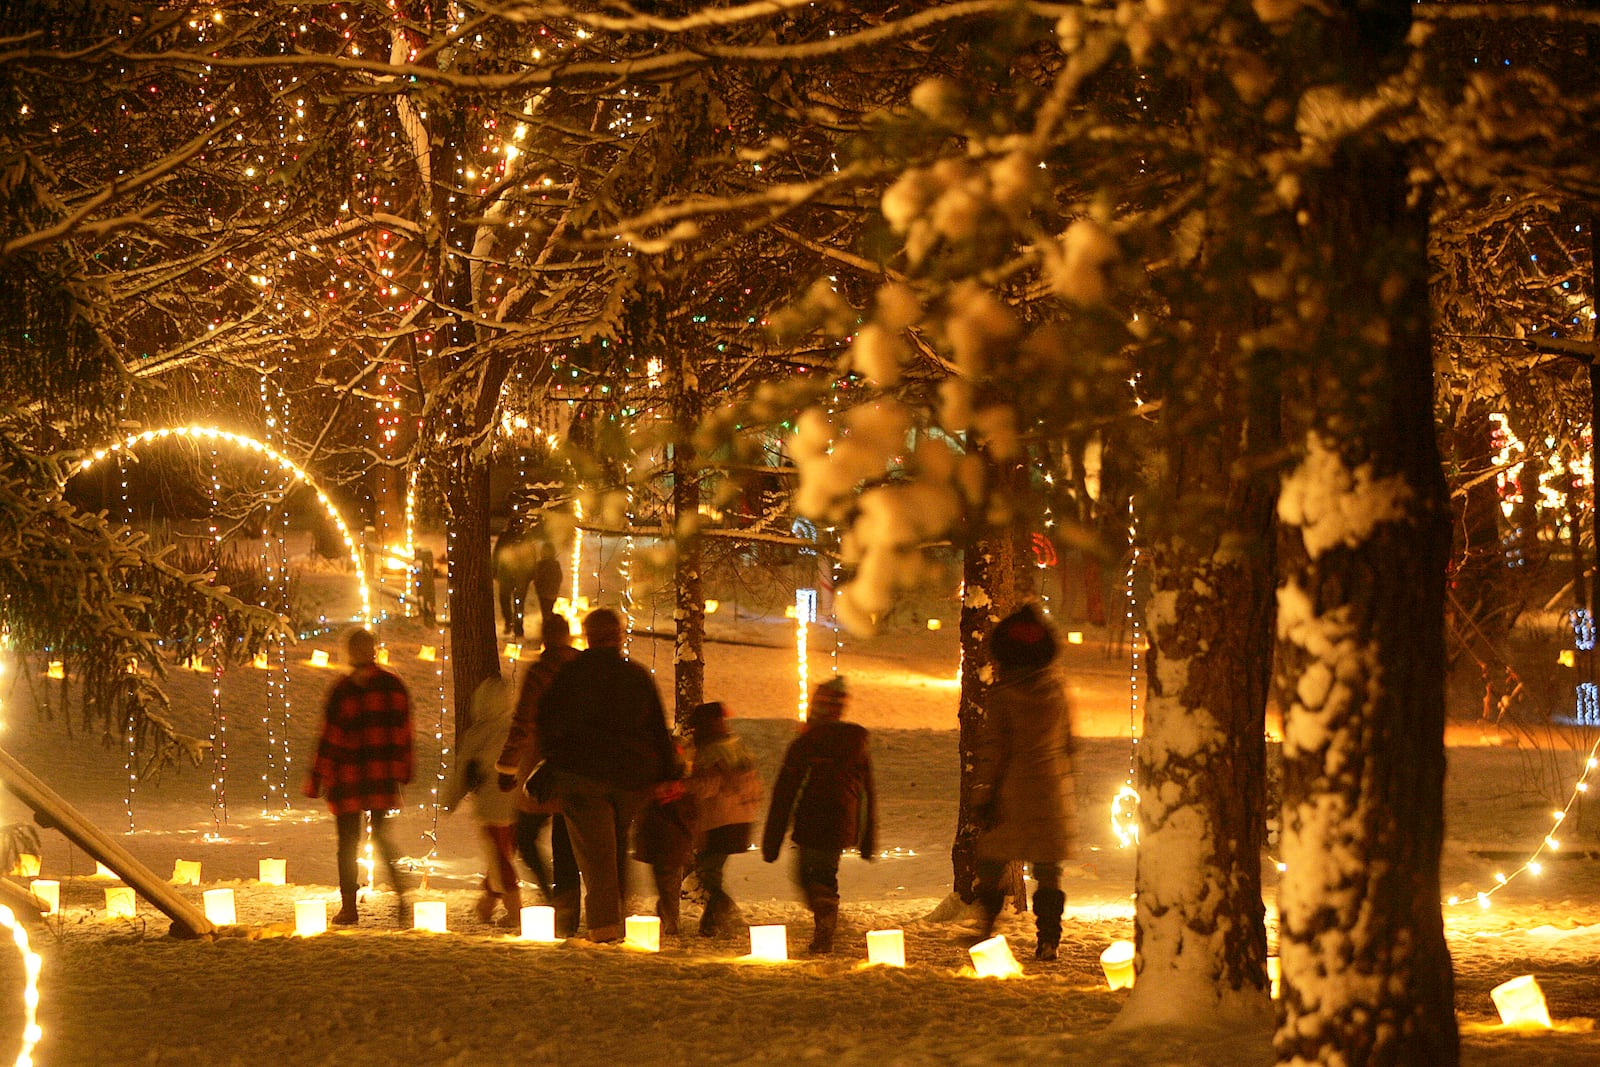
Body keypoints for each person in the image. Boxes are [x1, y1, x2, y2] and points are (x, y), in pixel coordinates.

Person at [536, 607, 677, 942]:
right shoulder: (636, 676)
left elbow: (548, 722)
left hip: (584, 776)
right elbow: (658, 728)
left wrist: (553, 763)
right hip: (632, 777)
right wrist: (666, 773)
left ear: (588, 636)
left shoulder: (571, 676)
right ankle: (618, 912)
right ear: (618, 637)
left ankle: (605, 928)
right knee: (615, 844)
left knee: (598, 856)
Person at [970, 604, 1078, 961]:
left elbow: (995, 750)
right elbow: (1071, 744)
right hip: (1051, 791)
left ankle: (985, 928)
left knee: (990, 860)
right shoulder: (1057, 691)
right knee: (1048, 871)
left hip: (1012, 792)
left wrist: (984, 795)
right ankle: (1049, 939)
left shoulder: (1002, 696)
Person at [305, 628, 414, 926]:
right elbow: (404, 733)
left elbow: (331, 737)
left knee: (348, 843)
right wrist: (404, 769)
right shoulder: (393, 686)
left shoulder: (344, 690)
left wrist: (317, 776)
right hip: (381, 776)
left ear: (350, 652)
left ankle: (349, 907)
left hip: (348, 778)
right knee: (380, 837)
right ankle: (402, 895)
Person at [761, 677, 877, 954]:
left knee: (807, 876)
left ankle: (825, 922)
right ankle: (825, 921)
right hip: (842, 823)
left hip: (811, 821)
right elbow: (867, 793)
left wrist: (772, 839)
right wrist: (867, 837)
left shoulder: (806, 743)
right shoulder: (856, 743)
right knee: (824, 873)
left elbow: (785, 792)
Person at [495, 613, 582, 936]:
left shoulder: (542, 672)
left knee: (530, 838)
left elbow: (522, 722)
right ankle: (569, 913)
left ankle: (558, 903)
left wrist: (507, 766)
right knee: (567, 844)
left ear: (546, 637)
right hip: (581, 767)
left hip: (546, 768)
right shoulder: (583, 669)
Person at [444, 674, 521, 926]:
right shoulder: (515, 730)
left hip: (490, 808)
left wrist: (450, 800)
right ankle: (486, 906)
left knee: (499, 860)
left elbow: (463, 772)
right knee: (500, 857)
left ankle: (515, 912)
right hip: (516, 805)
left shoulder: (477, 734)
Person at [685, 700, 763, 938]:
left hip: (720, 821)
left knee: (708, 873)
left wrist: (683, 785)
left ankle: (722, 915)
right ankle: (712, 923)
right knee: (710, 872)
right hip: (738, 819)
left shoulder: (711, 750)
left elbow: (709, 785)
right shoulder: (734, 746)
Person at [631, 739, 695, 935]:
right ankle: (669, 920)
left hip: (665, 838)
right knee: (668, 882)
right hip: (670, 838)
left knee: (667, 883)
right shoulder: (678, 779)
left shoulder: (659, 779)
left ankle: (670, 922)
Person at [493, 523, 537, 638]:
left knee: (508, 600)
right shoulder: (524, 537)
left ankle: (513, 624)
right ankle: (515, 625)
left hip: (514, 574)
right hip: (514, 575)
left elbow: (497, 554)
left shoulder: (522, 537)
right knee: (516, 601)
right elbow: (498, 553)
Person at [533, 541, 563, 626]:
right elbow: (559, 577)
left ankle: (547, 627)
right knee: (548, 611)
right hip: (548, 592)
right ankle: (548, 626)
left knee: (546, 611)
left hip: (546, 592)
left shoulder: (542, 564)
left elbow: (537, 576)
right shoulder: (553, 564)